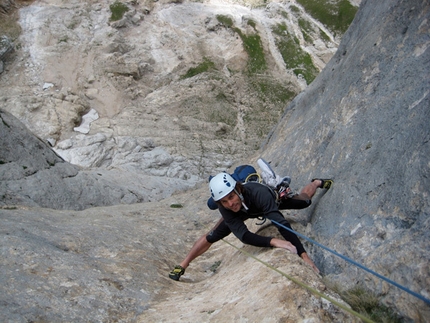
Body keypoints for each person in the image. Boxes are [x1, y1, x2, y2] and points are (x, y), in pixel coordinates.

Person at [168, 172, 333, 280]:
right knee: (213, 235)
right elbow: (244, 236)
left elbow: (281, 224)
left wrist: (304, 256)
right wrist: (274, 241)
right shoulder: (226, 207)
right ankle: (183, 264)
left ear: (238, 190)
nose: (230, 203)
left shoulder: (259, 194)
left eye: (231, 197)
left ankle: (317, 182)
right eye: (224, 201)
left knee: (304, 201)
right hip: (244, 211)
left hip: (268, 201)